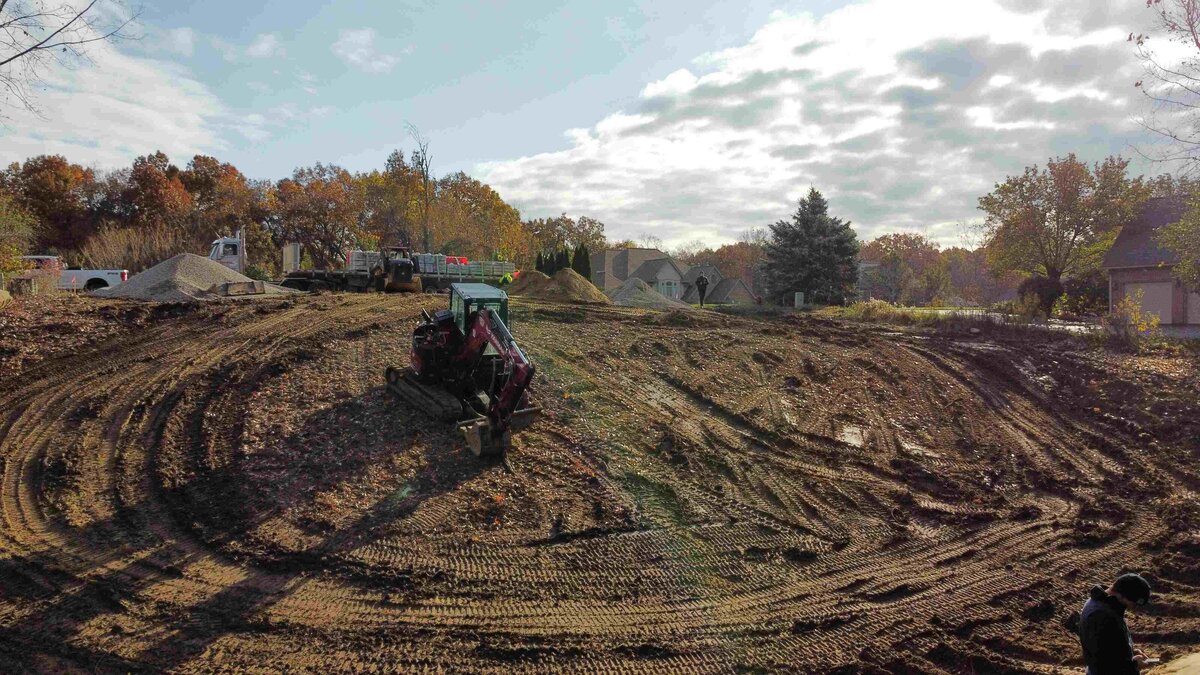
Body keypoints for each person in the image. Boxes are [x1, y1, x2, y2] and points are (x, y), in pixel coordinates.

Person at [1078, 573, 1154, 674]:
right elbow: (1103, 664)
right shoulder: (1102, 616)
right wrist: (1134, 664)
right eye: (1134, 603)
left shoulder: (1105, 607)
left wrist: (1130, 652)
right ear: (1122, 595)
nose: (1134, 607)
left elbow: (1110, 648)